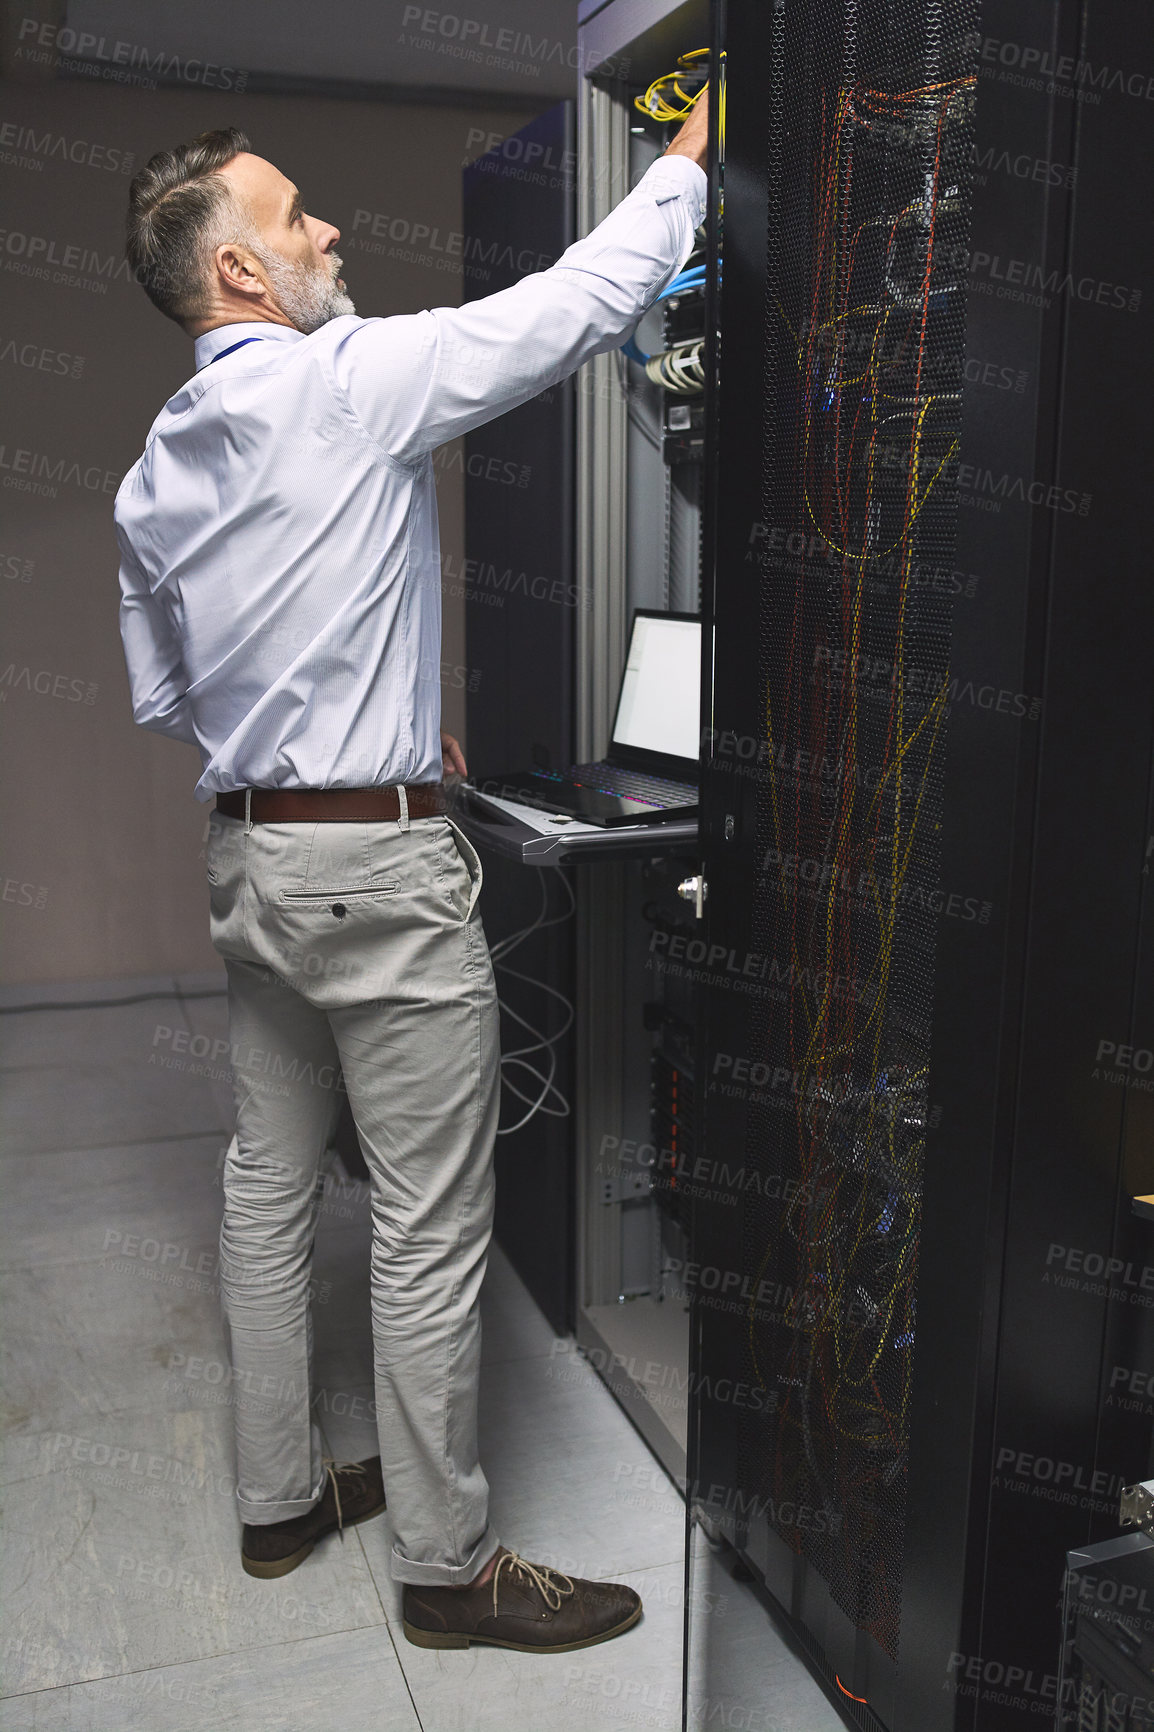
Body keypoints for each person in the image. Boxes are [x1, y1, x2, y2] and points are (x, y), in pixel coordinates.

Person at [114, 90, 708, 1653]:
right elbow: (569, 305)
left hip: (252, 861)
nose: (324, 233)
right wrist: (683, 175)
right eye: (295, 218)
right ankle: (450, 1569)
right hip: (376, 874)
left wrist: (322, 724)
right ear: (241, 275)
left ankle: (278, 1500)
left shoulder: (159, 460)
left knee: (263, 1185)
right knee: (432, 1227)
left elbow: (168, 695)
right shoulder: (346, 380)